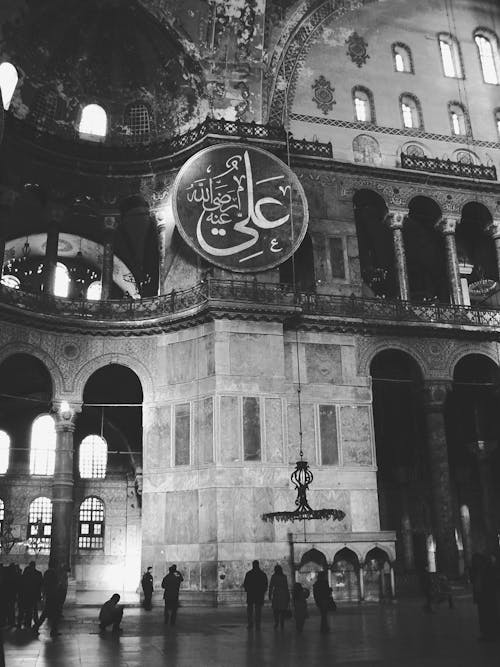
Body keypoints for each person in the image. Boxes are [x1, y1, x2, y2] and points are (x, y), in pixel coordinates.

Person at [471, 553, 499, 642]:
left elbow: (493, 583)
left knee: (489, 615)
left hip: (488, 597)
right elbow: (475, 582)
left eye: (476, 560)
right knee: (483, 616)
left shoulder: (489, 570)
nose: (474, 562)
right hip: (481, 597)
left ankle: (491, 634)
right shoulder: (478, 570)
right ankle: (486, 634)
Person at [34, 566, 62, 637]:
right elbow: (57, 584)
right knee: (56, 614)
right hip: (54, 597)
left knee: (45, 614)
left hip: (49, 596)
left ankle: (36, 627)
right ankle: (53, 631)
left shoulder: (47, 574)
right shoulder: (54, 574)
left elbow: (44, 586)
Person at [243, 560, 268, 630]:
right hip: (259, 594)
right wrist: (263, 591)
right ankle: (258, 624)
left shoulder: (249, 574)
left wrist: (248, 589)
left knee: (250, 609)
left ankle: (250, 623)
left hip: (251, 593)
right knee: (258, 610)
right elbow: (265, 584)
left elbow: (245, 583)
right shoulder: (262, 574)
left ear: (253, 565)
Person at [18, 562, 43, 629]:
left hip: (25, 595)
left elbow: (21, 586)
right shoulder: (38, 574)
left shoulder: (25, 575)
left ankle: (25, 623)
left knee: (25, 610)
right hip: (34, 594)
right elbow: (40, 585)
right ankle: (35, 622)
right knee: (34, 609)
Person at [269, 564, 290, 630]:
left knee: (276, 609)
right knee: (282, 609)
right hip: (283, 594)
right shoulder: (284, 577)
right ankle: (282, 622)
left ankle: (276, 622)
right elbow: (286, 587)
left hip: (276, 593)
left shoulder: (274, 577)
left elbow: (271, 586)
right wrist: (288, 595)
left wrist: (270, 594)